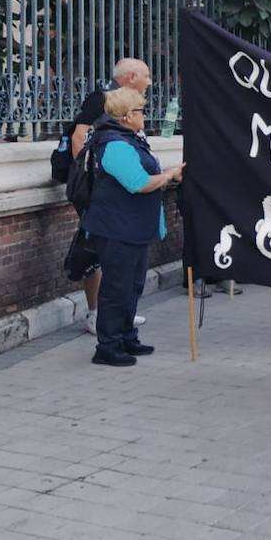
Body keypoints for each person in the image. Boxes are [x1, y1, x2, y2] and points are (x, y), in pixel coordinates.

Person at [82, 88, 183, 367]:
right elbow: (138, 183)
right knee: (117, 288)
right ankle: (108, 346)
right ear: (127, 116)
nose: (144, 115)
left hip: (132, 227)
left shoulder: (130, 139)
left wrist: (167, 176)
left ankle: (127, 336)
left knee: (133, 286)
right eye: (140, 111)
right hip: (117, 229)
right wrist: (168, 175)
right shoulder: (115, 144)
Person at [70, 57, 153, 335]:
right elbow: (79, 138)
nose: (149, 82)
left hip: (114, 195)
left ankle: (118, 314)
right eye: (146, 76)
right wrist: (91, 183)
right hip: (98, 193)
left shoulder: (128, 103)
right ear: (131, 76)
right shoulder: (103, 99)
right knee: (97, 250)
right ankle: (96, 314)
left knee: (115, 258)